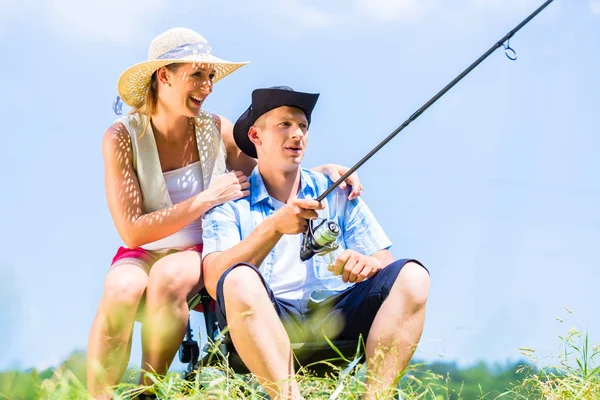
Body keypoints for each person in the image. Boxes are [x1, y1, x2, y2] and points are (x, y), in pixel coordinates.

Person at [88, 28, 363, 399]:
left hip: (198, 250)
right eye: (196, 75)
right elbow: (132, 232)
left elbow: (272, 166)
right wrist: (205, 198)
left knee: (169, 277)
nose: (207, 86)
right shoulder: (122, 137)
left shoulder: (215, 129)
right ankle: (97, 395)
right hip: (143, 247)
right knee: (120, 287)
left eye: (210, 77)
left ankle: (146, 390)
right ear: (164, 76)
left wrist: (323, 171)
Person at [201, 86, 431, 400]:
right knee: (238, 278)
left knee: (414, 276)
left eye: (303, 127)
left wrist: (367, 265)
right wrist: (274, 228)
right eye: (284, 125)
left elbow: (387, 269)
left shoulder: (337, 188)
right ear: (256, 136)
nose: (297, 134)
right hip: (269, 321)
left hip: (336, 317)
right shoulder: (230, 199)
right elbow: (216, 280)